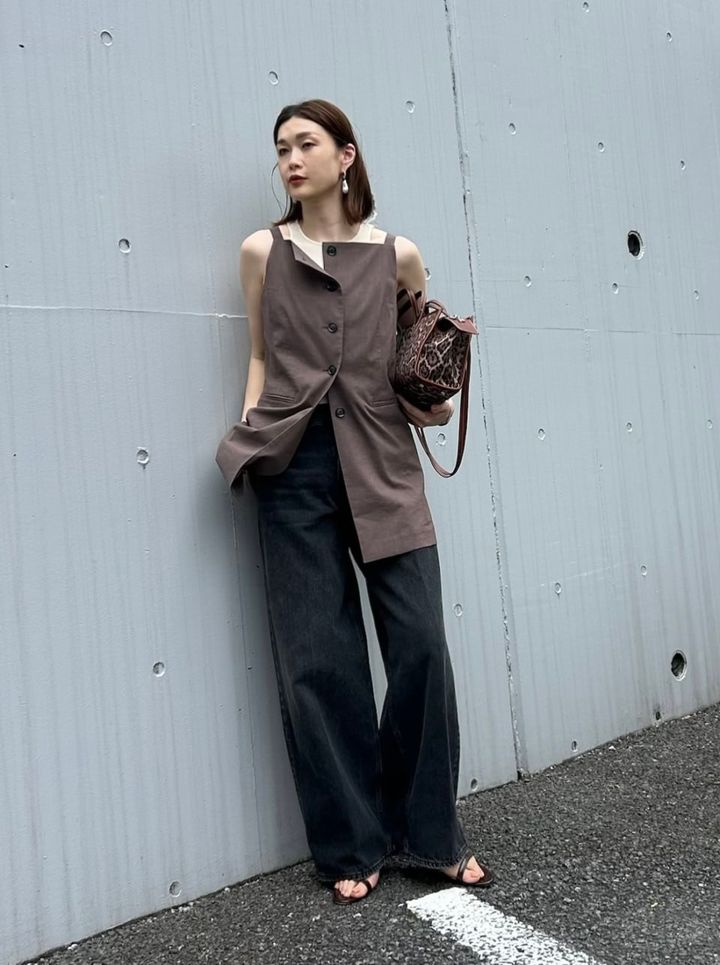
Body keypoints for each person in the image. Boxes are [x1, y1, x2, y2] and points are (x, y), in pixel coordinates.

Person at [215, 98, 495, 905]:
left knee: (422, 647)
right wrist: (253, 438)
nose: (290, 160)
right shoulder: (261, 251)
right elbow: (260, 355)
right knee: (318, 661)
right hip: (293, 466)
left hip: (383, 459)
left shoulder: (398, 255)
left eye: (305, 144)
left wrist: (432, 402)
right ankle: (352, 841)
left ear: (346, 155)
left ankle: (430, 834)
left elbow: (414, 357)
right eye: (280, 149)